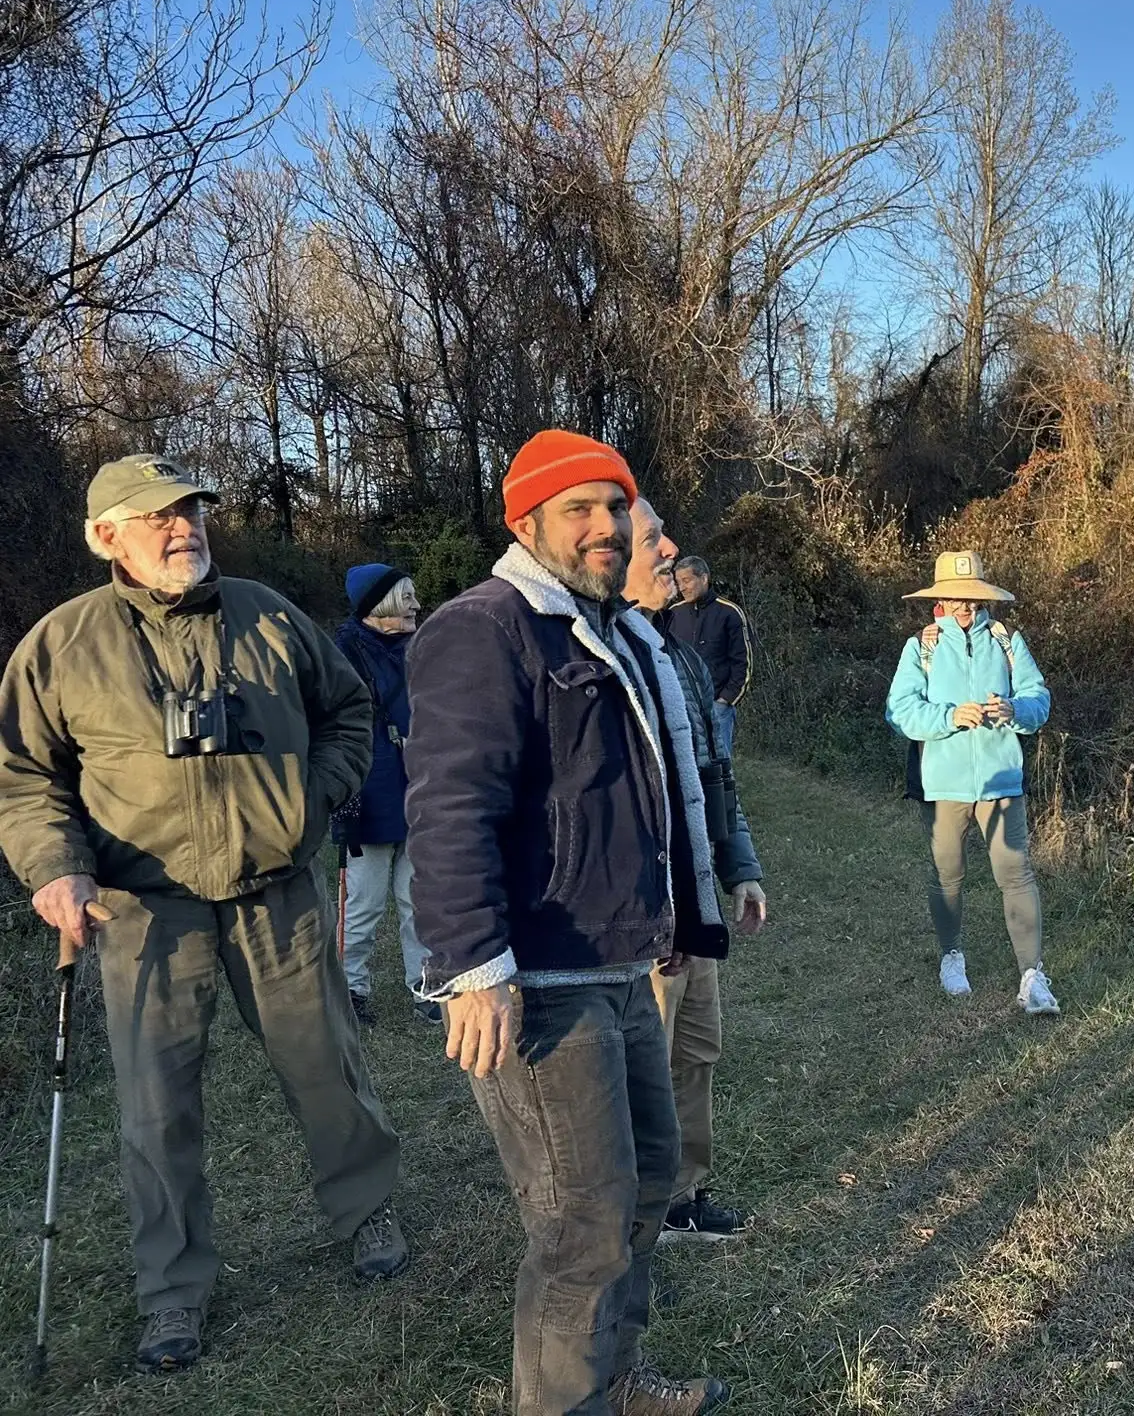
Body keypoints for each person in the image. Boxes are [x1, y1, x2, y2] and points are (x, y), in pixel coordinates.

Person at [0, 453, 407, 1375]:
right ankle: (173, 1289)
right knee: (156, 1111)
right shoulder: (62, 645)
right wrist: (56, 869)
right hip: (143, 911)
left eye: (191, 513)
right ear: (106, 537)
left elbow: (349, 709)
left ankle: (366, 1206)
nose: (185, 529)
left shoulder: (268, 614)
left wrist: (317, 798)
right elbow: (25, 778)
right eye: (159, 518)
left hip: (278, 895)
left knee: (328, 1071)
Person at [406, 430, 732, 1416]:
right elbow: (449, 804)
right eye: (578, 508)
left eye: (615, 506)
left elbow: (642, 795)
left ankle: (615, 1378)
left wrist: (672, 912)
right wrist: (473, 967)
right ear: (526, 520)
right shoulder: (487, 628)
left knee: (645, 1183)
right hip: (537, 981)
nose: (605, 526)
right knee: (580, 1220)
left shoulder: (612, 632)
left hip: (621, 965)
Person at [622, 499, 769, 1246]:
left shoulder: (680, 655)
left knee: (694, 1051)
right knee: (638, 1061)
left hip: (698, 898)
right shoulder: (604, 658)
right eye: (654, 541)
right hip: (646, 911)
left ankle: (683, 1196)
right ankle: (630, 1219)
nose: (671, 554)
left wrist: (739, 867)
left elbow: (718, 775)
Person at [884, 550, 1059, 1015]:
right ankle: (951, 956)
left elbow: (1038, 698)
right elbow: (899, 710)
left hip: (1002, 782)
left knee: (1016, 874)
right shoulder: (919, 647)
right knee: (947, 875)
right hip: (943, 785)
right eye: (956, 599)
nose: (965, 608)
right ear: (939, 600)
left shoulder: (1006, 642)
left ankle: (1033, 976)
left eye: (973, 600)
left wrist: (1015, 710)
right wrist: (948, 717)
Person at [333, 563, 435, 1026]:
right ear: (380, 604)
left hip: (423, 790)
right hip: (368, 795)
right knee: (364, 903)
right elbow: (334, 732)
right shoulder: (342, 655)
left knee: (421, 899)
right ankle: (349, 990)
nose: (416, 604)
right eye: (406, 596)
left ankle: (428, 987)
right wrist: (344, 795)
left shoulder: (426, 648)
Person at [666, 557, 749, 759]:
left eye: (687, 580)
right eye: (678, 582)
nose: (682, 587)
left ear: (703, 578)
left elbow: (742, 662)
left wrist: (726, 699)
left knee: (720, 767)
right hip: (683, 708)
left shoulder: (730, 612)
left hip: (717, 706)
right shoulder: (673, 614)